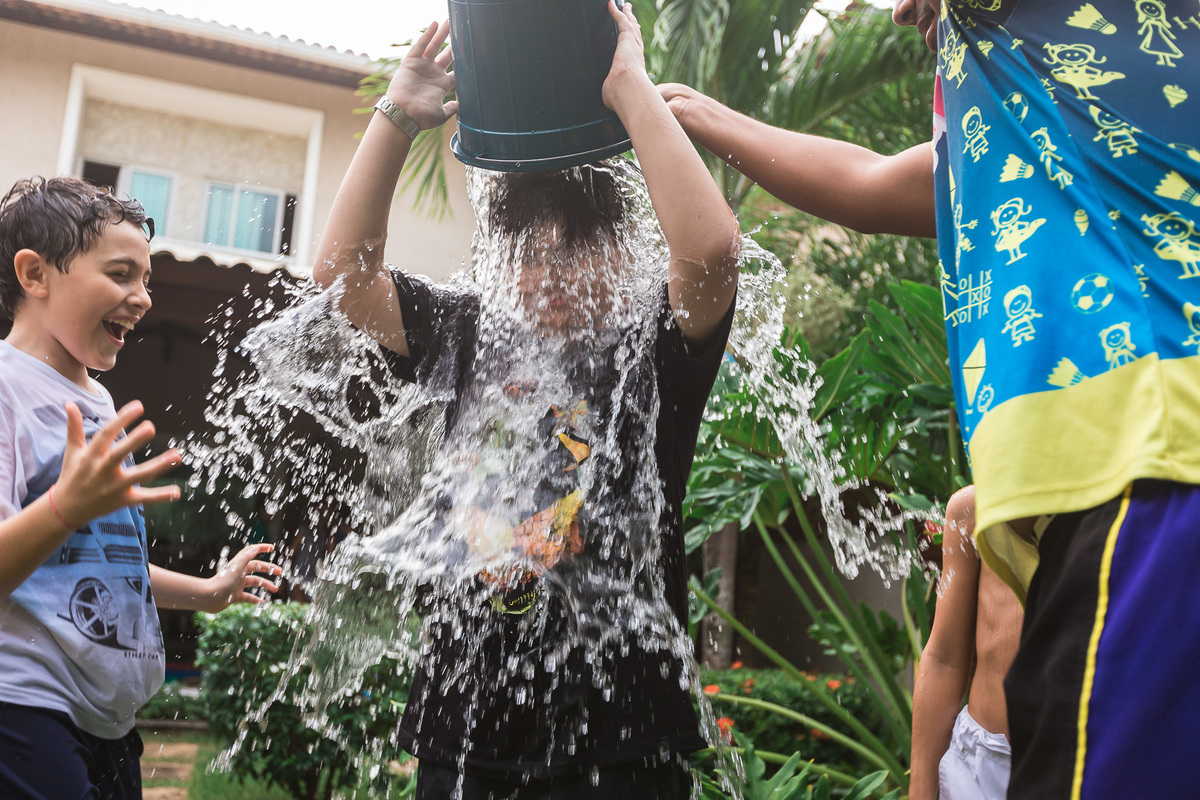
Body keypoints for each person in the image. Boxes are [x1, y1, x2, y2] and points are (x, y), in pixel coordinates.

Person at [663, 1, 1200, 797]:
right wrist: (692, 112)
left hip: (1141, 468)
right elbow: (866, 183)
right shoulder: (1051, 112)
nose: (899, 19)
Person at [312, 2, 742, 797]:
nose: (547, 273)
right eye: (528, 254)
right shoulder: (467, 333)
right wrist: (398, 117)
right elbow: (340, 279)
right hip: (467, 725)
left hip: (622, 737)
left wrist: (629, 88)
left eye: (573, 249)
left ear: (623, 252)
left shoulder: (656, 348)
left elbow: (712, 251)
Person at [0, 176, 283, 799]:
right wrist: (63, 507)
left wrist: (207, 593)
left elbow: (98, 563)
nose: (143, 298)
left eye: (147, 280)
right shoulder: (7, 392)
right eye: (122, 274)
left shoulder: (96, 400)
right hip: (22, 708)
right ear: (34, 274)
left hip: (108, 723)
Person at [911, 486, 1022, 800]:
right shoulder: (976, 507)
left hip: (1085, 764)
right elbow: (944, 658)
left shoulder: (1121, 507)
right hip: (981, 769)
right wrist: (919, 794)